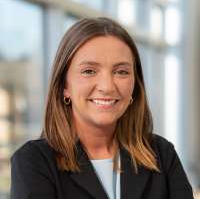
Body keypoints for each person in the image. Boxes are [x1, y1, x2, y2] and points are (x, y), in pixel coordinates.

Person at [10, 17, 194, 199]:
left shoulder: (162, 154)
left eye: (121, 72)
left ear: (134, 86)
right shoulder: (33, 162)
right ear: (64, 86)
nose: (107, 87)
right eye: (89, 71)